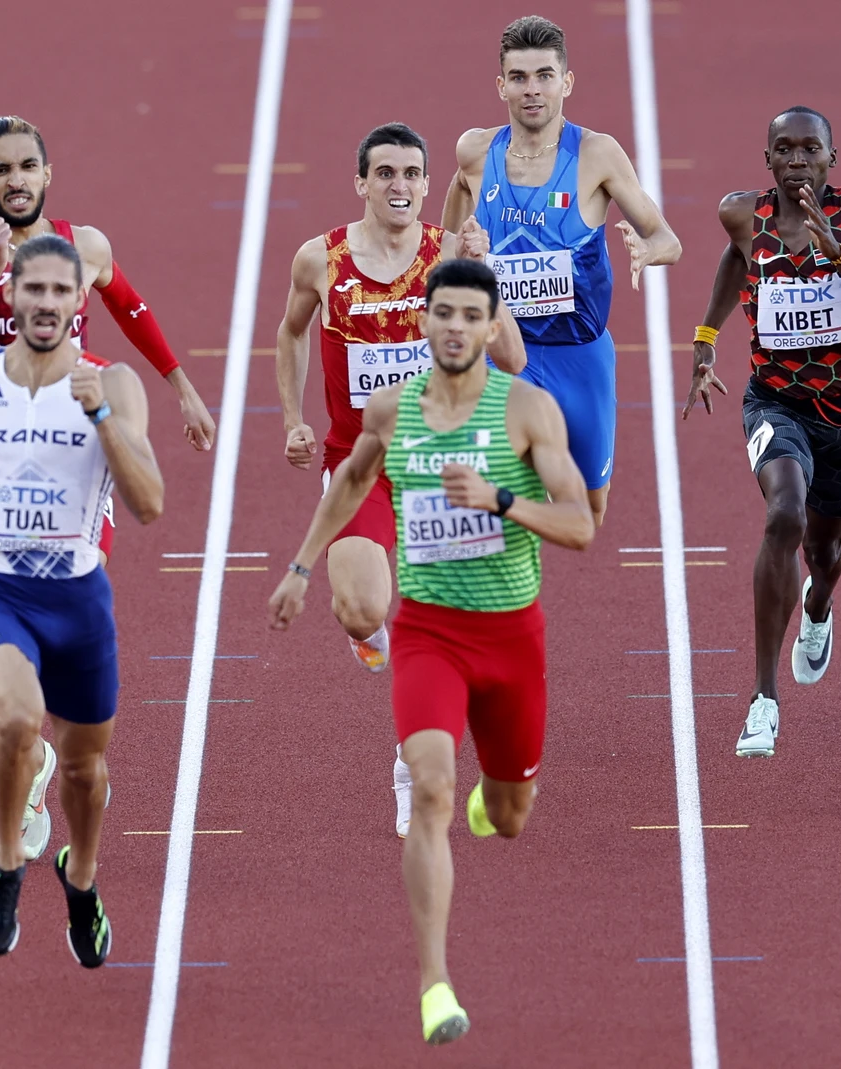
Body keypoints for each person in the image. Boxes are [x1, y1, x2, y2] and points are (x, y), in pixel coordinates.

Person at [269, 259, 593, 1045]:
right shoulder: (391, 410)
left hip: (511, 636)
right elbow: (349, 483)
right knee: (431, 789)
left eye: (468, 315)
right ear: (424, 322)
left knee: (506, 816)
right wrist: (302, 567)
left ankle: (498, 795)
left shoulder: (527, 410)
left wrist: (501, 499)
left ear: (490, 327)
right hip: (430, 635)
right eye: (439, 312)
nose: (452, 326)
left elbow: (579, 523)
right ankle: (434, 982)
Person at [0, 235, 162, 961]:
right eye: (33, 290)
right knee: (17, 719)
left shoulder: (116, 384)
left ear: (81, 303)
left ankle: (80, 876)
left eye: (60, 292)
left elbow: (150, 505)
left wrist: (103, 419)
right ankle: (8, 863)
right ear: (11, 299)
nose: (45, 303)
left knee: (84, 769)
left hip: (80, 600)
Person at [275, 122, 522, 838]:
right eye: (385, 173)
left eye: (413, 173)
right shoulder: (320, 259)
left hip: (446, 468)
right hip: (358, 465)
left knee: (441, 629)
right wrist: (292, 417)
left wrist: (486, 275)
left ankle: (410, 764)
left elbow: (511, 357)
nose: (401, 185)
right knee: (358, 609)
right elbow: (291, 332)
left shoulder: (450, 255)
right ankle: (373, 631)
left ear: (424, 183)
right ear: (361, 182)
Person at [681, 106, 841, 757]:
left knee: (824, 551)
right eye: (785, 149)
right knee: (782, 513)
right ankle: (762, 697)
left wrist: (839, 258)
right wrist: (704, 337)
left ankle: (819, 607)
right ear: (768, 159)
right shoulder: (742, 215)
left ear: (832, 157)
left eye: (811, 149)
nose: (797, 160)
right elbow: (735, 258)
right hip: (772, 403)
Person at [0, 116, 212, 554]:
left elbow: (130, 308)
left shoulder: (86, 246)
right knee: (5, 592)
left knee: (84, 566)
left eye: (27, 166)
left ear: (47, 173)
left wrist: (182, 386)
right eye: (0, 170)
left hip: (77, 430)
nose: (16, 180)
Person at [442, 14, 682, 526]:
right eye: (520, 77)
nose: (533, 90)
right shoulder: (475, 151)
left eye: (545, 75)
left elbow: (668, 239)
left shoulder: (597, 154)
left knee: (590, 513)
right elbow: (446, 241)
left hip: (581, 355)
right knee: (489, 494)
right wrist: (461, 252)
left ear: (566, 83)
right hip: (505, 353)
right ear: (501, 84)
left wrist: (645, 250)